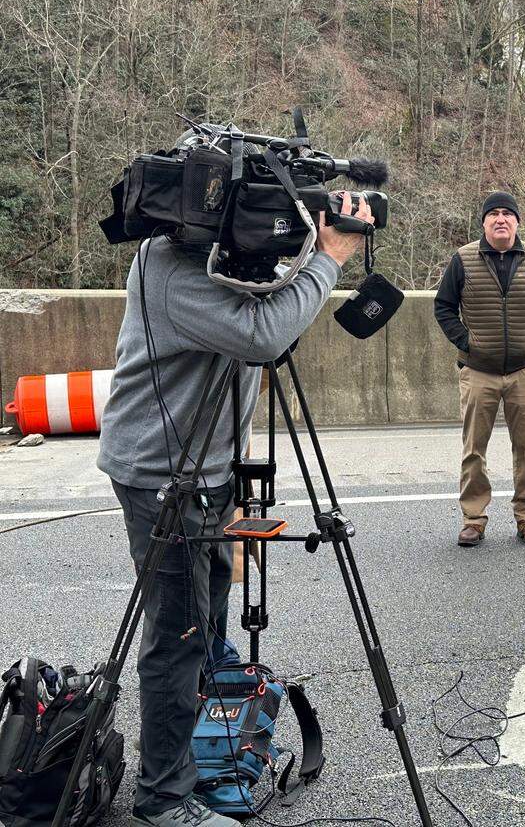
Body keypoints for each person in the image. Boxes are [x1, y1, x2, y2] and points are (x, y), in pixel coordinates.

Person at [97, 188, 372, 827]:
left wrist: (297, 253)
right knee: (178, 636)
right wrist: (328, 257)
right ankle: (163, 797)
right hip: (163, 474)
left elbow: (269, 322)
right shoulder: (170, 263)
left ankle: (200, 751)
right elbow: (263, 334)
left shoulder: (219, 259)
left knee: (210, 612)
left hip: (210, 470)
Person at [434, 191, 525, 547]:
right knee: (474, 451)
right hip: (478, 370)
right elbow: (444, 306)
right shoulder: (463, 259)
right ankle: (473, 520)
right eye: (493, 213)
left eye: (508, 213)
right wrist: (466, 342)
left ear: (517, 222)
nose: (501, 219)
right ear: (484, 223)